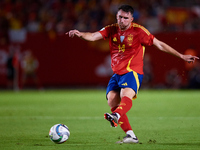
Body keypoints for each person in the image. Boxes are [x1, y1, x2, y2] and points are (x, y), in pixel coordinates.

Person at [66, 5, 199, 144]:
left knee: (125, 95)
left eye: (125, 18)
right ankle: (131, 136)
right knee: (111, 100)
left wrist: (181, 56)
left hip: (132, 71)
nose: (122, 20)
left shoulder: (138, 31)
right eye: (120, 17)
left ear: (131, 19)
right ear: (116, 17)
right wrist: (80, 34)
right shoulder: (111, 29)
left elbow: (159, 44)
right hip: (117, 73)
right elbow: (93, 36)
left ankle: (116, 115)